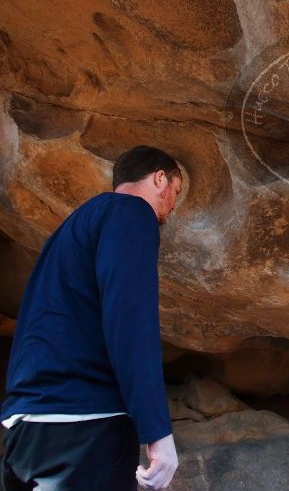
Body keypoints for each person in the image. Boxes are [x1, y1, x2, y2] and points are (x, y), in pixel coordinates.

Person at [1, 146, 183, 491]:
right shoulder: (131, 213)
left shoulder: (74, 226)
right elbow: (130, 321)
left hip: (26, 425)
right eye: (176, 190)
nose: (173, 206)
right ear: (160, 178)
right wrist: (157, 431)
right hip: (84, 427)